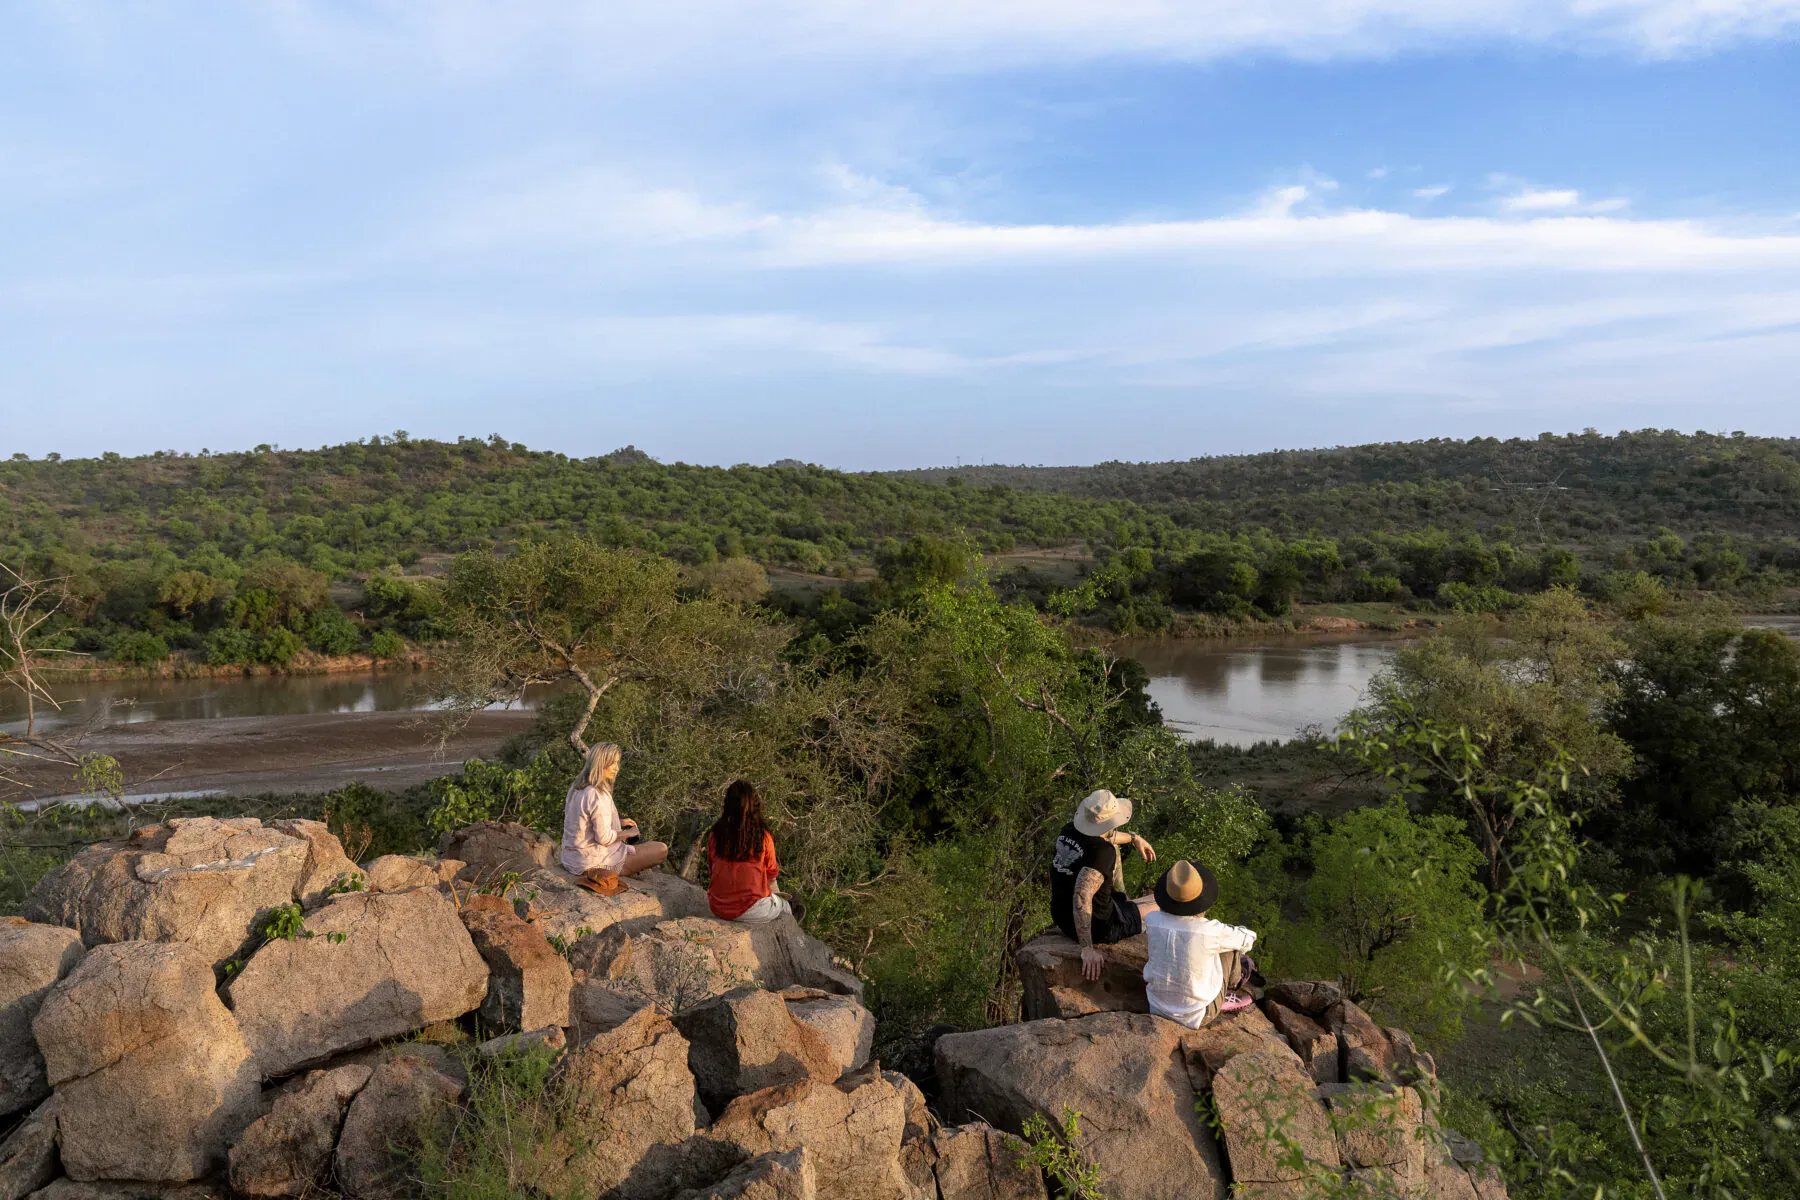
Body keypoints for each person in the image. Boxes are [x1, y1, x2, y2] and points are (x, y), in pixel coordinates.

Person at [1049, 789, 1159, 982]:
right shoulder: (1102, 852)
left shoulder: (1068, 831)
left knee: (1114, 848)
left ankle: (1124, 901)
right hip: (1100, 926)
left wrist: (1135, 838)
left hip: (1061, 916)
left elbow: (1108, 837)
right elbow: (1081, 897)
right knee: (1162, 902)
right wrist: (1087, 949)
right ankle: (1127, 910)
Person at [1141, 859, 1258, 1029]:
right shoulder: (1210, 930)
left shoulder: (1153, 919)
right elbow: (1249, 939)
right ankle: (1225, 993)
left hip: (1156, 1006)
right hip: (1196, 1016)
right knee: (1230, 949)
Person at [560, 742, 667, 895]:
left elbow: (581, 822)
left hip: (572, 860)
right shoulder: (597, 794)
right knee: (660, 849)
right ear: (601, 763)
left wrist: (619, 823)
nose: (617, 768)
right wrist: (629, 833)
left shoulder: (577, 788)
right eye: (613, 763)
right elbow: (604, 838)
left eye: (617, 762)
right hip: (592, 863)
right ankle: (617, 869)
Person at [705, 780, 793, 923]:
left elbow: (711, 869)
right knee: (786, 907)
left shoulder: (716, 834)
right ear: (755, 805)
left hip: (718, 908)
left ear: (727, 805)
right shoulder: (763, 836)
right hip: (753, 909)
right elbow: (771, 875)